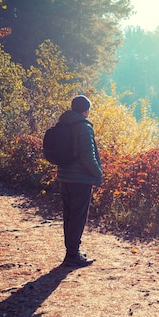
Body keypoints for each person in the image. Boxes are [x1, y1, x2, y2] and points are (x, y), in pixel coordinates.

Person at [56, 95, 103, 267]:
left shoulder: (64, 123)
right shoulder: (83, 127)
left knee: (69, 216)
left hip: (64, 177)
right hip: (80, 179)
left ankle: (71, 252)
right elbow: (88, 157)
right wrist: (98, 174)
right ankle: (73, 255)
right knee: (78, 217)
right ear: (85, 110)